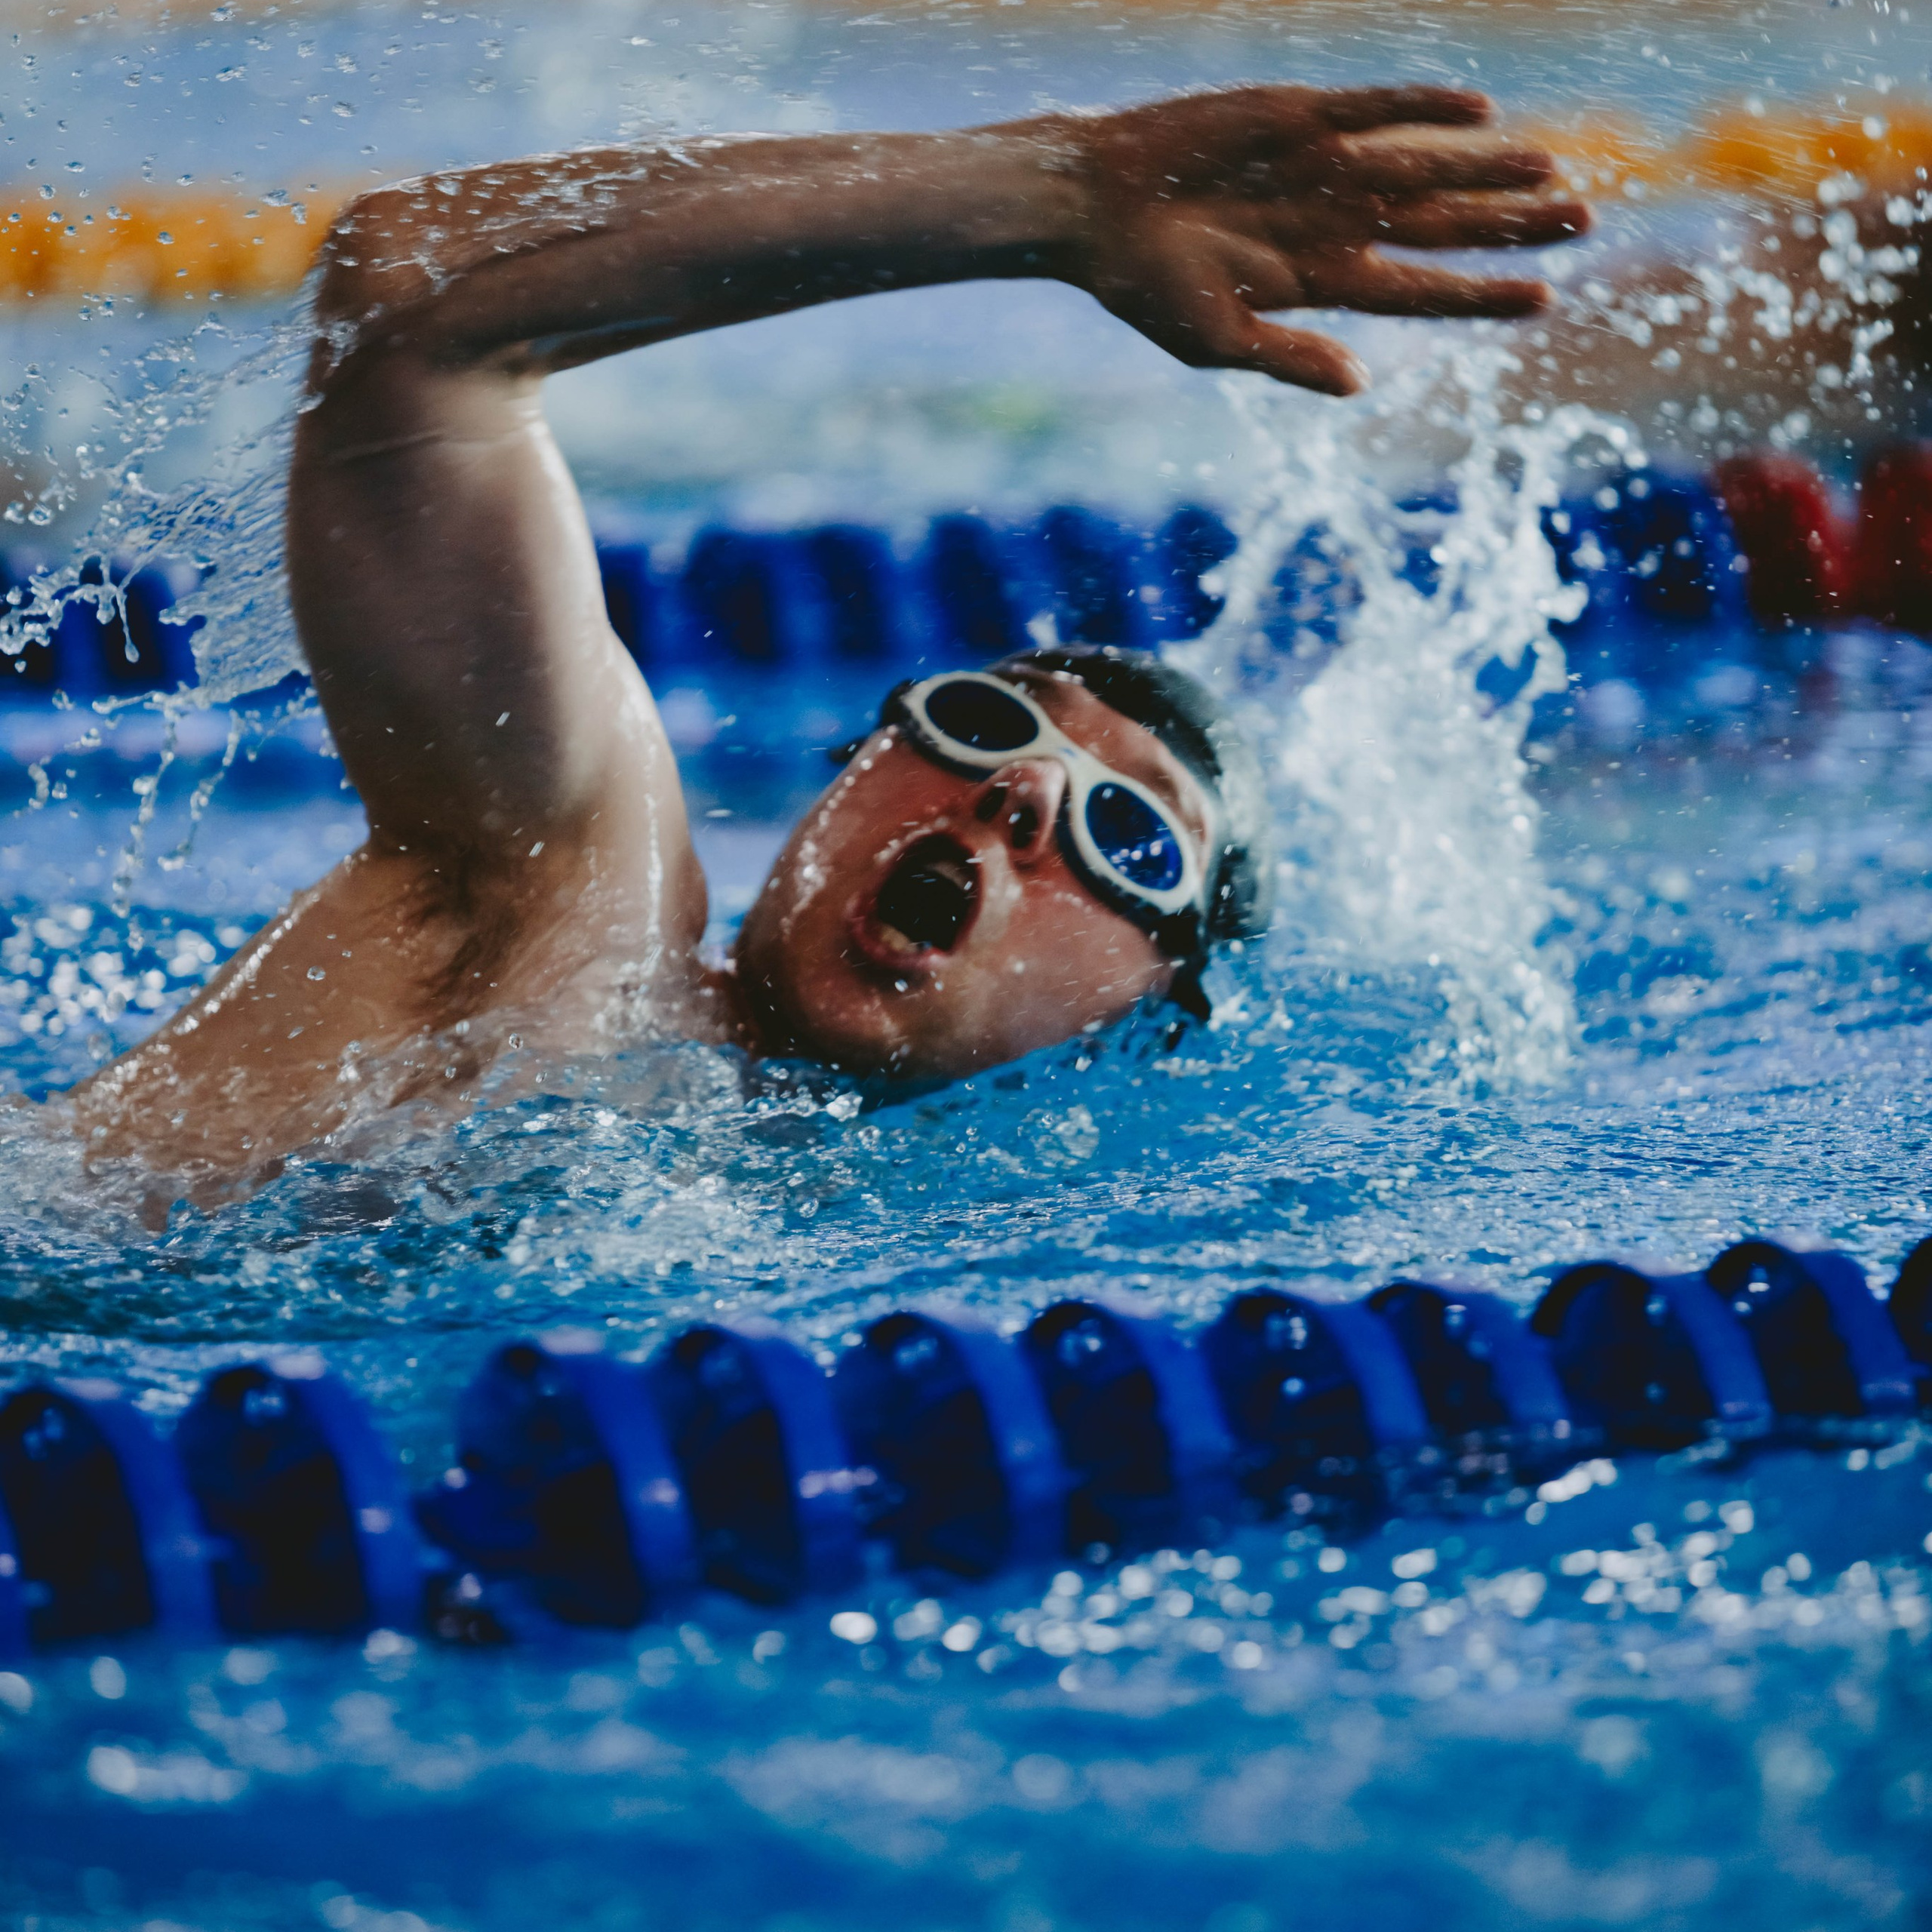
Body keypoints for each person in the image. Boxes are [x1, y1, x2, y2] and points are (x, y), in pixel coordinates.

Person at [65, 84, 1589, 1198]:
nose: (1024, 797)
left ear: (1151, 1013)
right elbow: (409, 302)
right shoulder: (566, 887)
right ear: (852, 763)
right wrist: (1045, 199)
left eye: (1125, 835)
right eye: (987, 723)